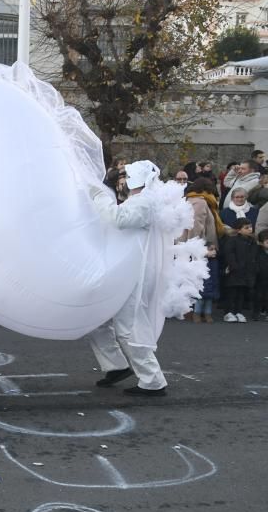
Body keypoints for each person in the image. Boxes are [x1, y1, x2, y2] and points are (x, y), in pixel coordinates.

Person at [87, 160, 175, 396]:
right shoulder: (142, 200)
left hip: (133, 275)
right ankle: (117, 366)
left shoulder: (146, 201)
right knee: (97, 320)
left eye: (127, 174)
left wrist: (99, 196)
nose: (123, 178)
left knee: (129, 327)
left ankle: (153, 380)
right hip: (123, 270)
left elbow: (119, 219)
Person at [221, 218, 259, 323]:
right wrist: (234, 266)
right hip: (234, 271)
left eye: (250, 227)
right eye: (246, 228)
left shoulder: (252, 241)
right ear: (238, 230)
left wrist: (253, 268)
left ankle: (238, 311)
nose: (250, 229)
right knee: (232, 292)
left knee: (241, 293)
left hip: (247, 272)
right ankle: (228, 312)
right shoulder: (232, 240)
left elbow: (253, 256)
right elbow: (229, 254)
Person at [193, 242, 219, 323]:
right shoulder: (200, 260)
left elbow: (216, 272)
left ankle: (208, 314)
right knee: (200, 300)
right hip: (202, 284)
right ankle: (196, 314)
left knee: (209, 300)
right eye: (211, 249)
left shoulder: (215, 261)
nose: (214, 251)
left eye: (215, 249)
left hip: (212, 283)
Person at [255, 229, 268, 320]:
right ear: (260, 243)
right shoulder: (257, 252)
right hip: (260, 277)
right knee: (259, 295)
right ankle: (258, 312)